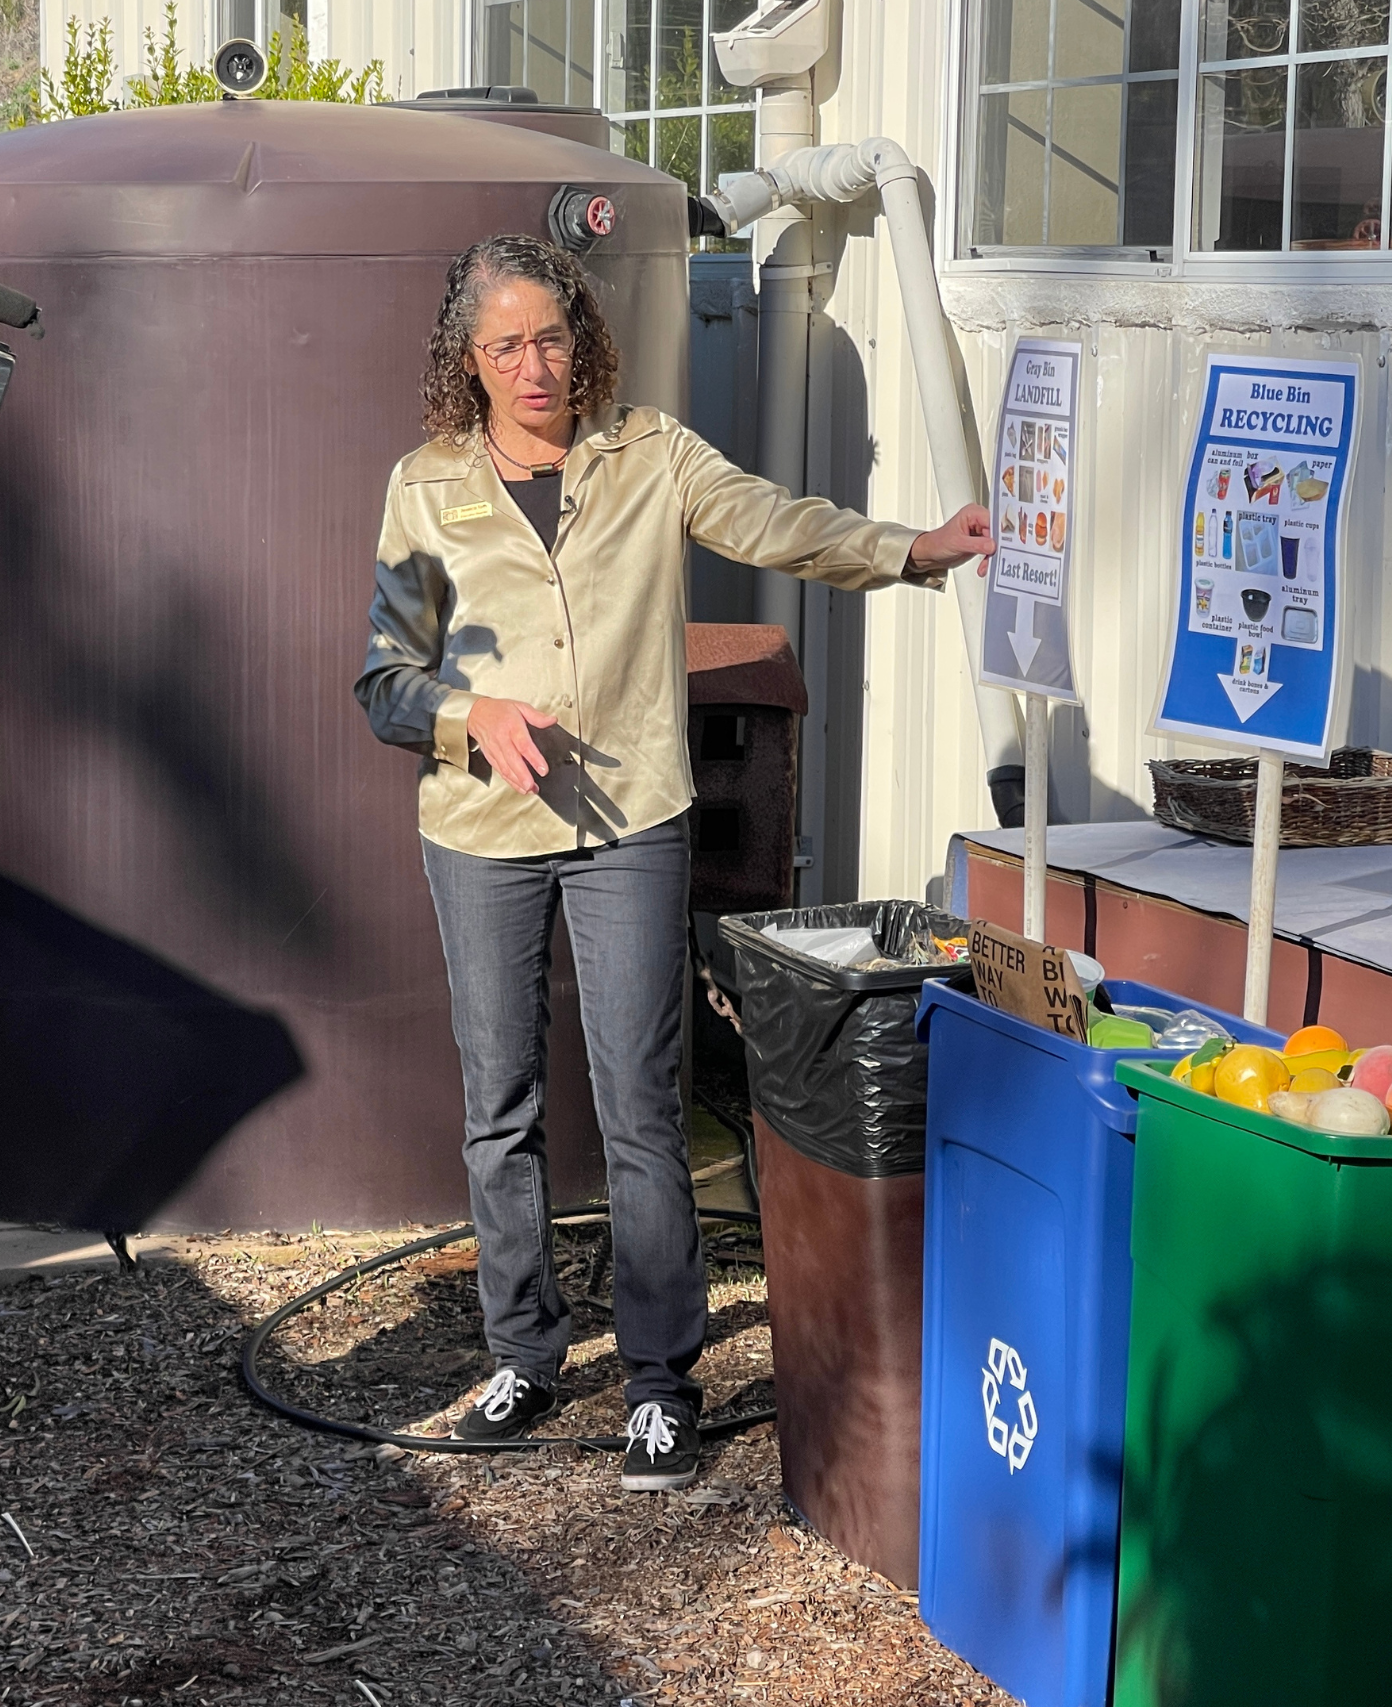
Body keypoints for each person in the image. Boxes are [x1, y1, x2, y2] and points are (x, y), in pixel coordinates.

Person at [355, 234, 990, 1492]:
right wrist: (467, 717)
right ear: (466, 361)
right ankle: (524, 1355)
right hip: (479, 833)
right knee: (500, 1107)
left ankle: (658, 1382)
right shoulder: (425, 486)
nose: (533, 366)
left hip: (629, 820)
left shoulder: (646, 455)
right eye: (504, 346)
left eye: (549, 336)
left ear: (577, 337)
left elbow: (773, 521)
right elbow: (382, 677)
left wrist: (910, 549)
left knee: (644, 1106)